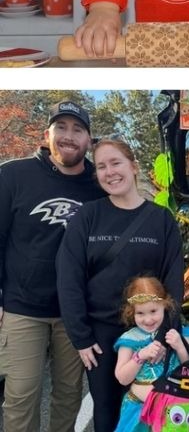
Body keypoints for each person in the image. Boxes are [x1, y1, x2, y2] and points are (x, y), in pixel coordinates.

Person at [57, 140, 185, 432]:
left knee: (149, 408)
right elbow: (69, 276)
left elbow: (174, 279)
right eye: (101, 166)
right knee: (105, 407)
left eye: (116, 163)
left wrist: (166, 333)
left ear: (134, 167)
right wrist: (81, 336)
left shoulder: (161, 219)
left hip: (149, 332)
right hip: (100, 333)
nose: (109, 172)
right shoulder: (87, 216)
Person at [0, 102, 106, 432]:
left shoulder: (100, 186)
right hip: (21, 307)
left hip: (74, 313)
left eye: (78, 129)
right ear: (47, 134)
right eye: (61, 127)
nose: (68, 136)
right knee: (20, 396)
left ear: (89, 140)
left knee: (69, 395)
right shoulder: (12, 175)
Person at [107, 277, 189, 432]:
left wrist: (180, 347)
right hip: (139, 413)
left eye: (153, 311)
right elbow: (122, 378)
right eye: (140, 313)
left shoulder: (179, 333)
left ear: (165, 305)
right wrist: (140, 356)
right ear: (131, 311)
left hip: (175, 413)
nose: (148, 319)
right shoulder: (130, 339)